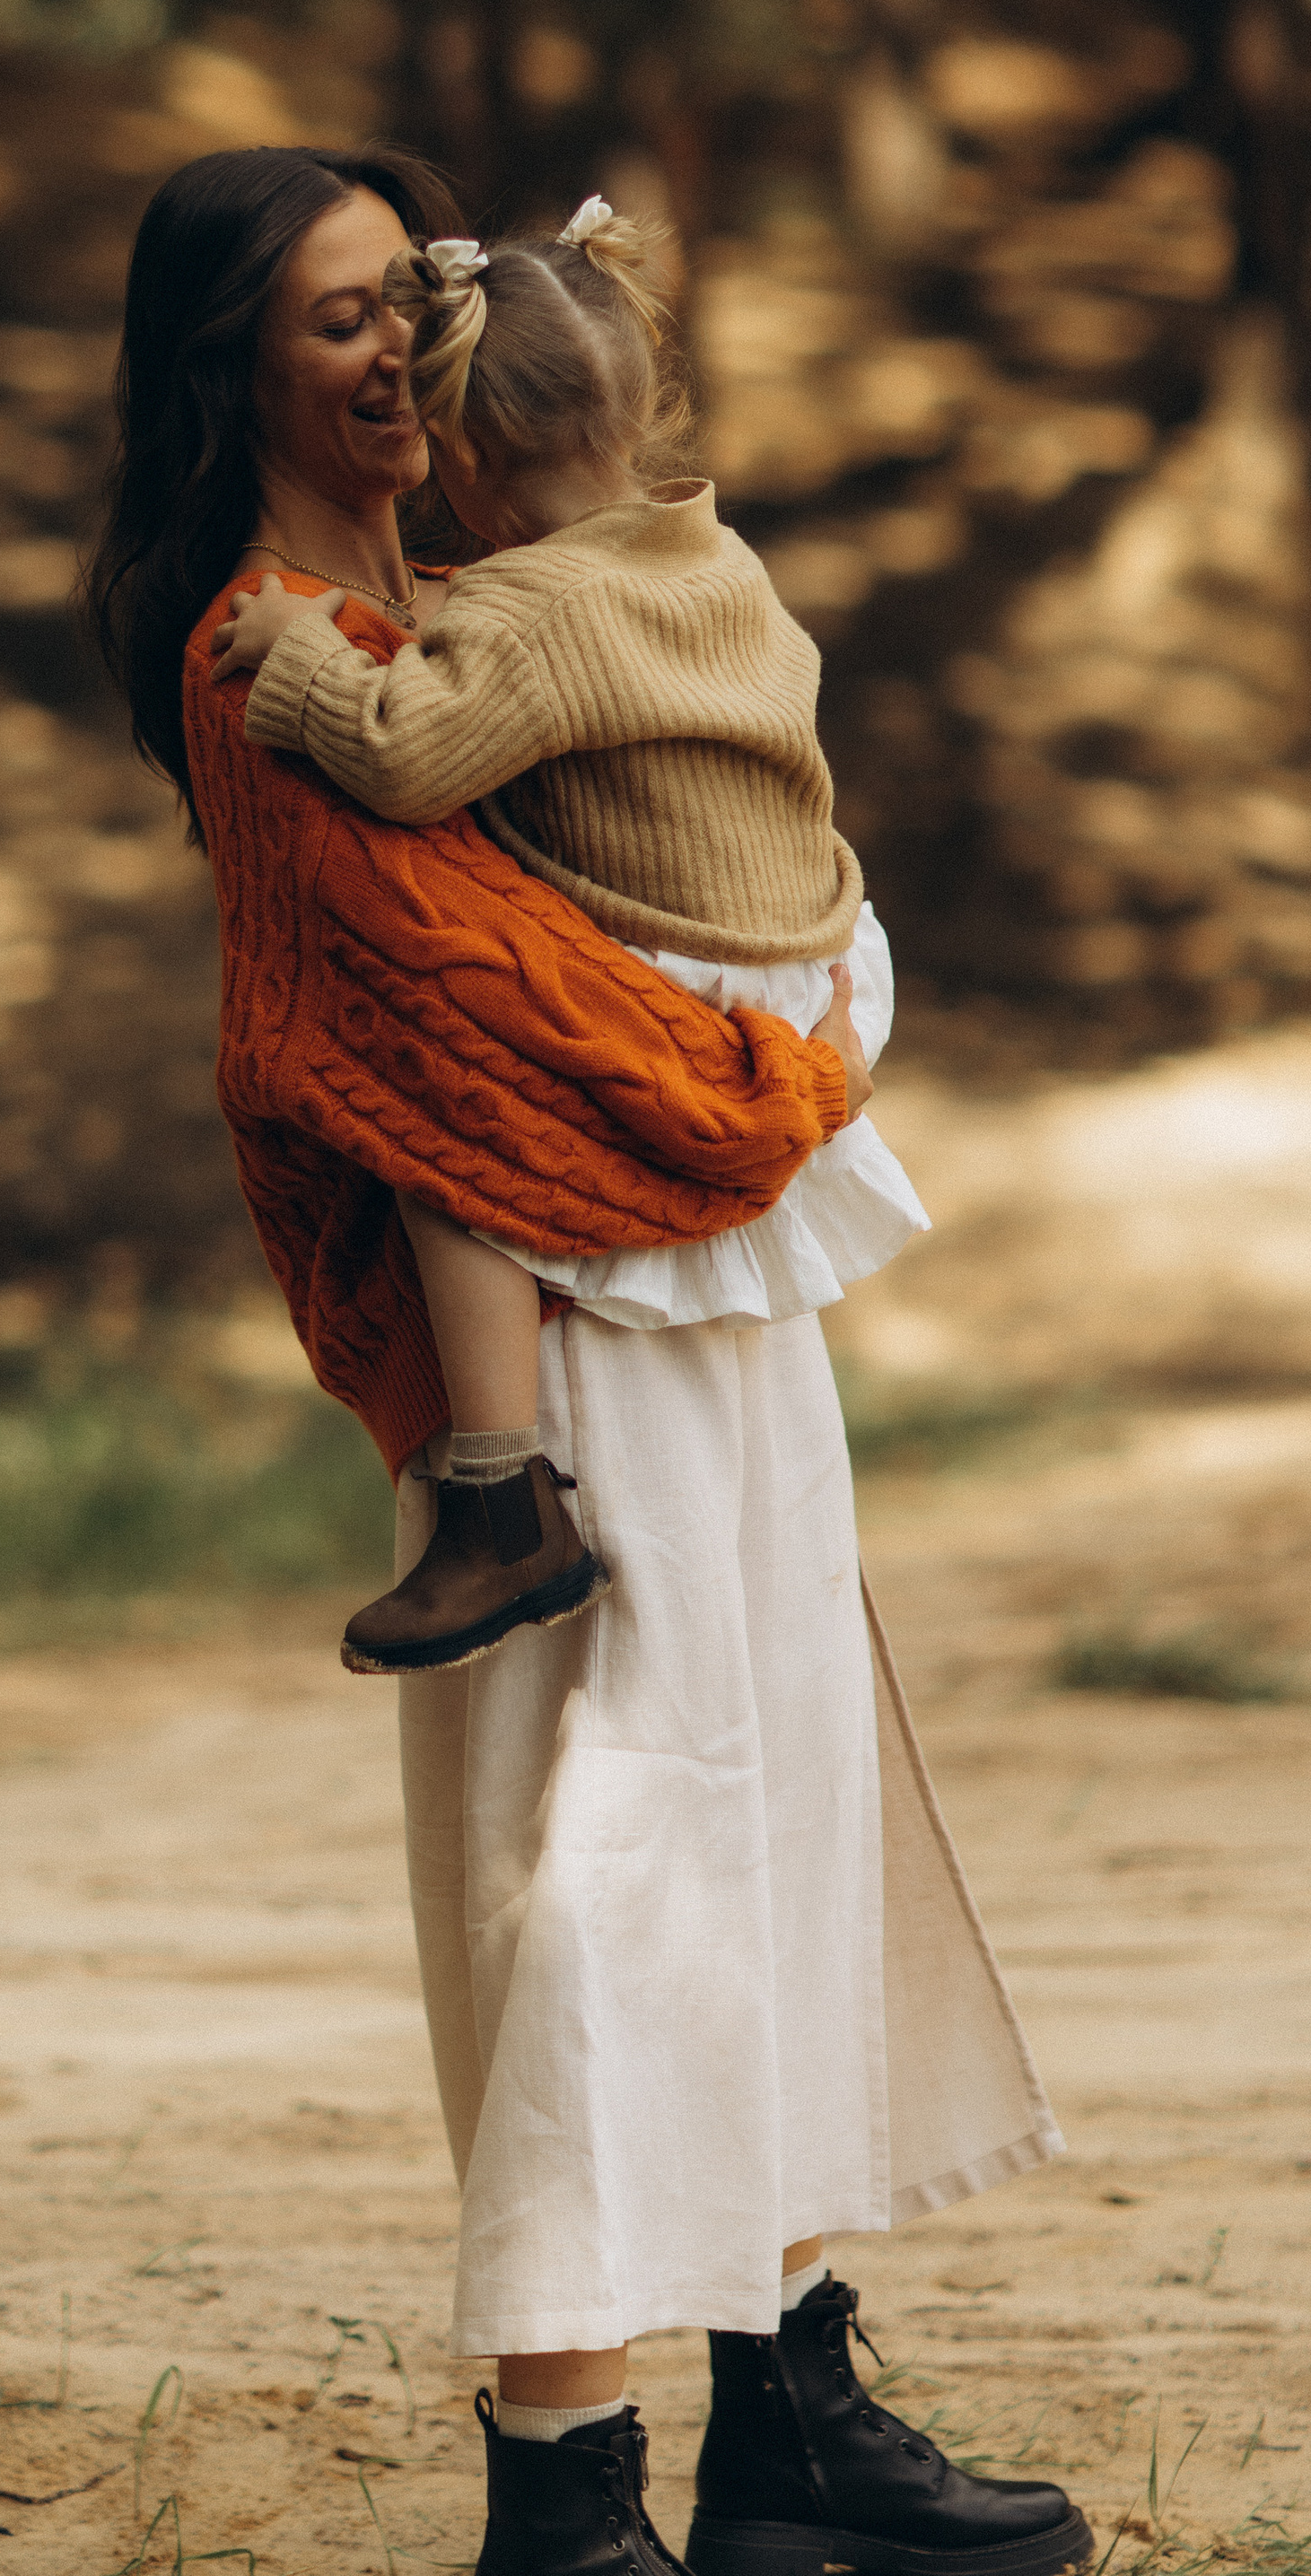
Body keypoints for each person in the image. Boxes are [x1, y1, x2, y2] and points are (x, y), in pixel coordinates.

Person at [86, 144, 1092, 2576]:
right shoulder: (272, 663)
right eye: (329, 318)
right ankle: (569, 2484)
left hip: (713, 1294)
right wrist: (809, 1041)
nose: (380, 349)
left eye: (394, 300)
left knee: (779, 1821)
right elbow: (493, 1028)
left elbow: (671, 886)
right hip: (567, 1342)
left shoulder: (484, 600)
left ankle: (786, 2408)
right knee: (602, 1857)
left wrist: (794, 1018)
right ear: (232, 371)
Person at [208, 192, 930, 1690]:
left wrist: (302, 660)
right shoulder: (714, 562)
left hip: (679, 977)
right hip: (809, 947)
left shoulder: (528, 612)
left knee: (438, 1141)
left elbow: (408, 755)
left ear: (460, 462)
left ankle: (501, 1496)